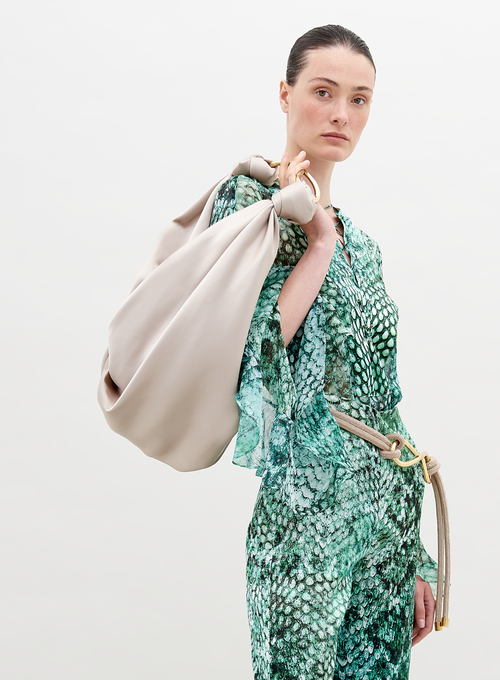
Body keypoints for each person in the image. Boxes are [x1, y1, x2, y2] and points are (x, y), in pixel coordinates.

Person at [207, 24, 438, 680]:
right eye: (324, 92)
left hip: (385, 527)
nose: (341, 114)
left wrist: (415, 554)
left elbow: (382, 406)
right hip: (305, 524)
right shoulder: (250, 205)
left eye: (359, 99)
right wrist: (317, 243)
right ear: (285, 94)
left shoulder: (364, 247)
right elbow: (246, 348)